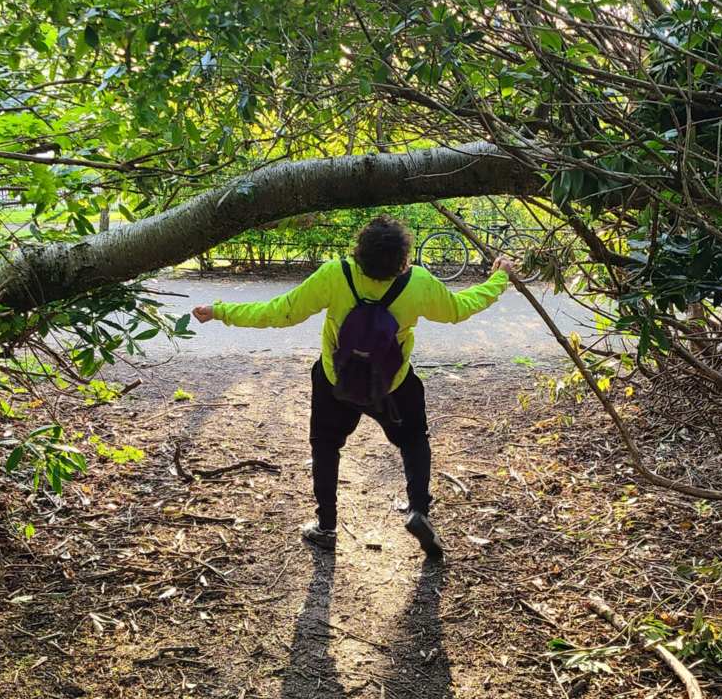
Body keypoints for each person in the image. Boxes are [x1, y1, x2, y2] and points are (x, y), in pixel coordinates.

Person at [192, 214, 514, 557]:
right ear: (403, 260)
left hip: (335, 382)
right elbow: (460, 308)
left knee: (326, 446)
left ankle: (327, 527)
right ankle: (419, 510)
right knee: (414, 440)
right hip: (392, 386)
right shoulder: (417, 282)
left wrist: (220, 310)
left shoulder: (336, 274)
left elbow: (280, 312)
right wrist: (499, 278)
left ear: (357, 253)